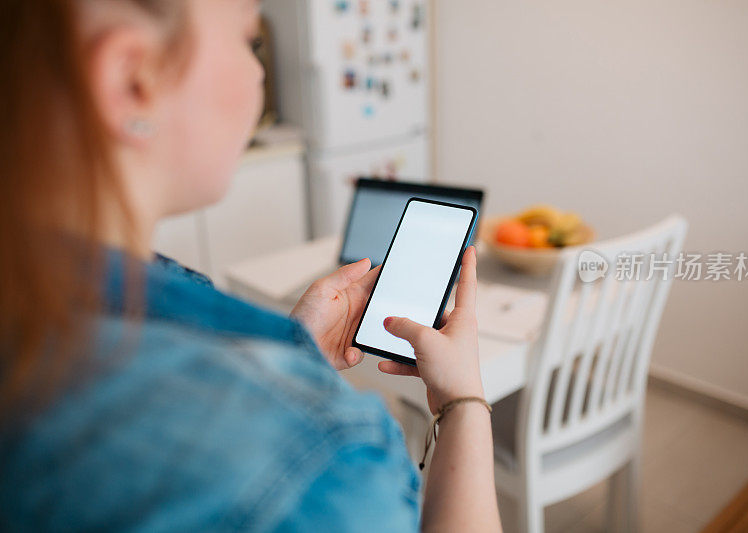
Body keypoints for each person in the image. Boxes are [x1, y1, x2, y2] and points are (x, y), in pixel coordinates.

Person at [0, 1, 501, 531]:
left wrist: (293, 347)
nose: (261, 71)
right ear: (132, 77)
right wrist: (463, 400)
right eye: (248, 41)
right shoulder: (312, 453)